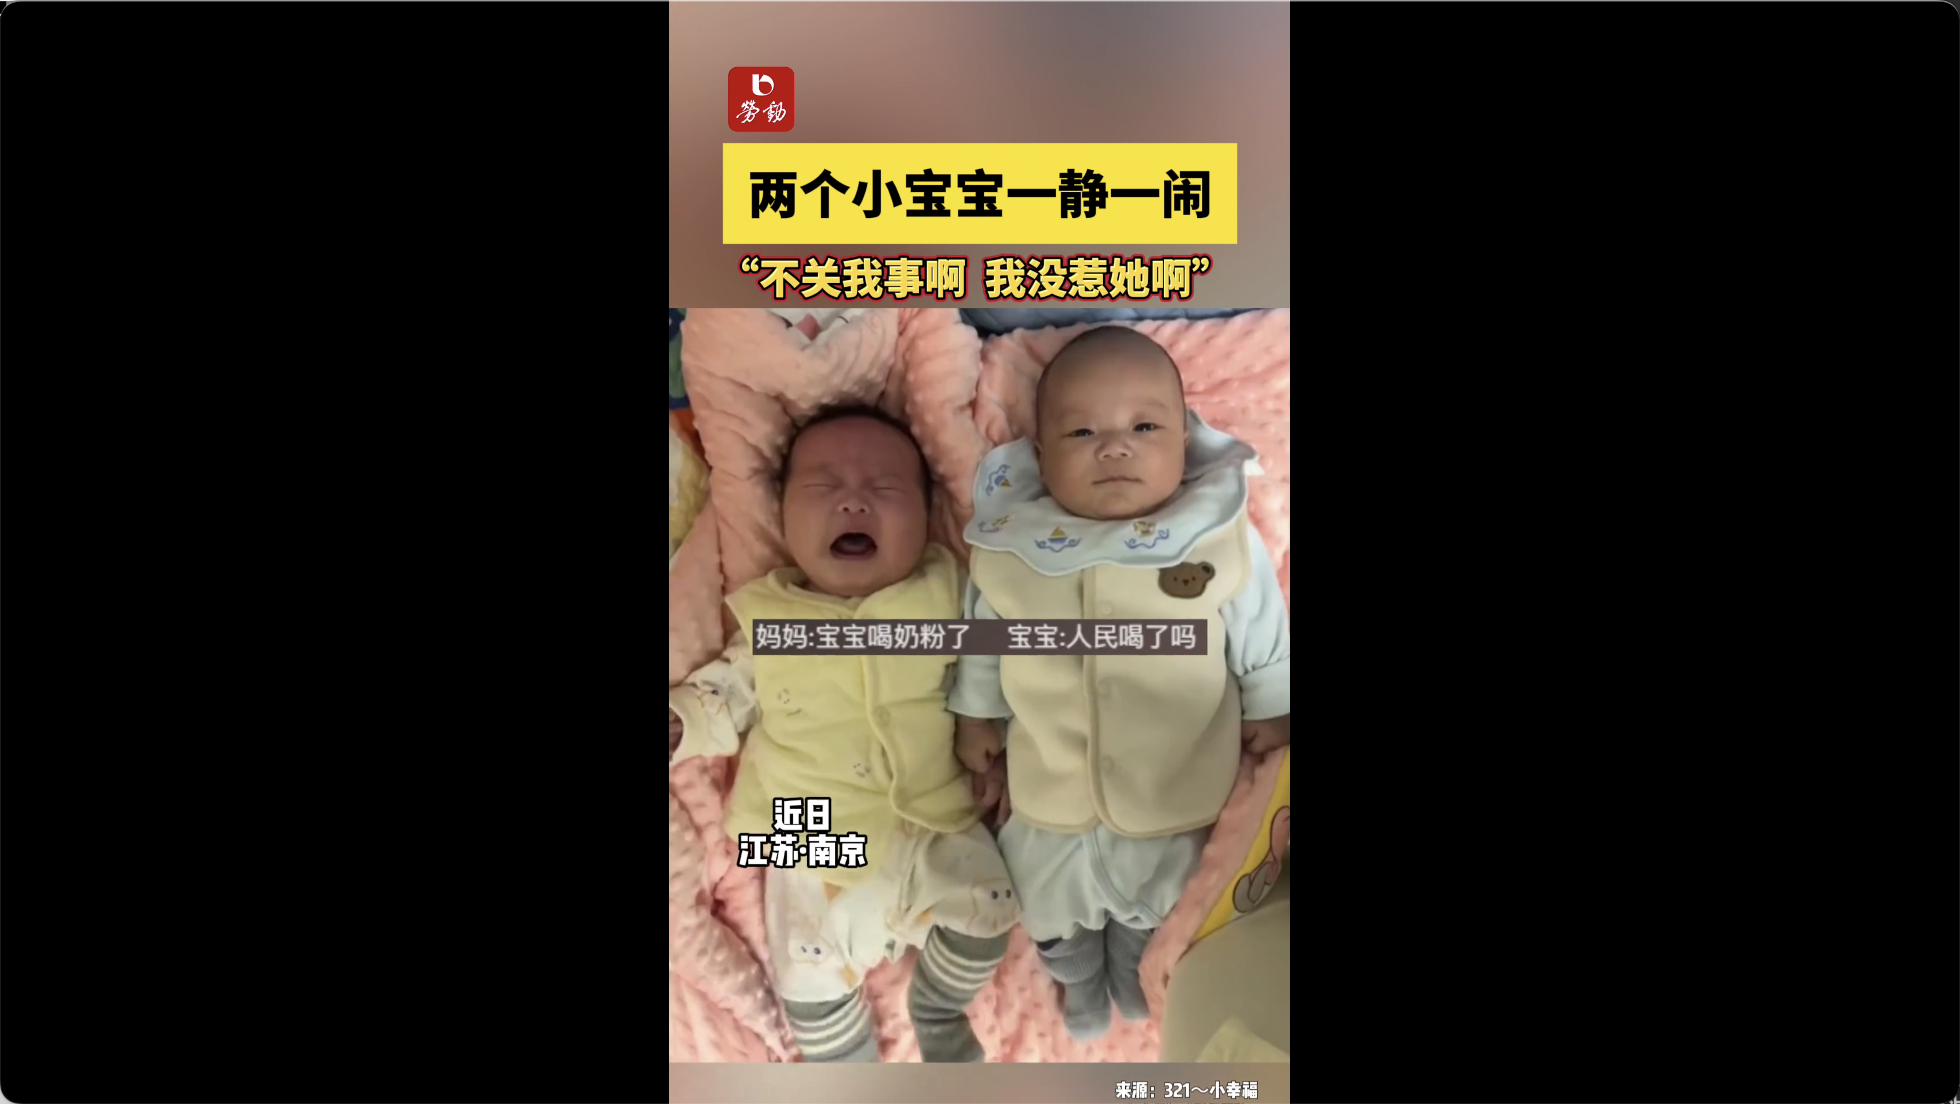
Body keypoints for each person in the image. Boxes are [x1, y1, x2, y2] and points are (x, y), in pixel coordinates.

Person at [949, 326, 1292, 1040]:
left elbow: (1261, 623)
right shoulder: (1014, 549)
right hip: (1051, 786)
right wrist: (976, 713)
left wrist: (1272, 702)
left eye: (1144, 427)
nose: (1114, 448)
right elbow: (985, 638)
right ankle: (1075, 974)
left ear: (1184, 441)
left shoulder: (1213, 535)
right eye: (1081, 432)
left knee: (1167, 895)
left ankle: (1134, 966)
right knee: (1039, 893)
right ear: (1041, 457)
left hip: (1174, 783)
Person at [668, 405, 1017, 1063]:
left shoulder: (944, 595)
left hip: (929, 812)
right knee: (806, 964)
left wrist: (992, 743)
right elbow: (730, 693)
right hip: (805, 824)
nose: (853, 501)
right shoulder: (772, 617)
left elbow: (988, 675)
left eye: (885, 488)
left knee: (991, 907)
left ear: (926, 517)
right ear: (782, 518)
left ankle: (938, 1006)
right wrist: (683, 720)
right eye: (822, 486)